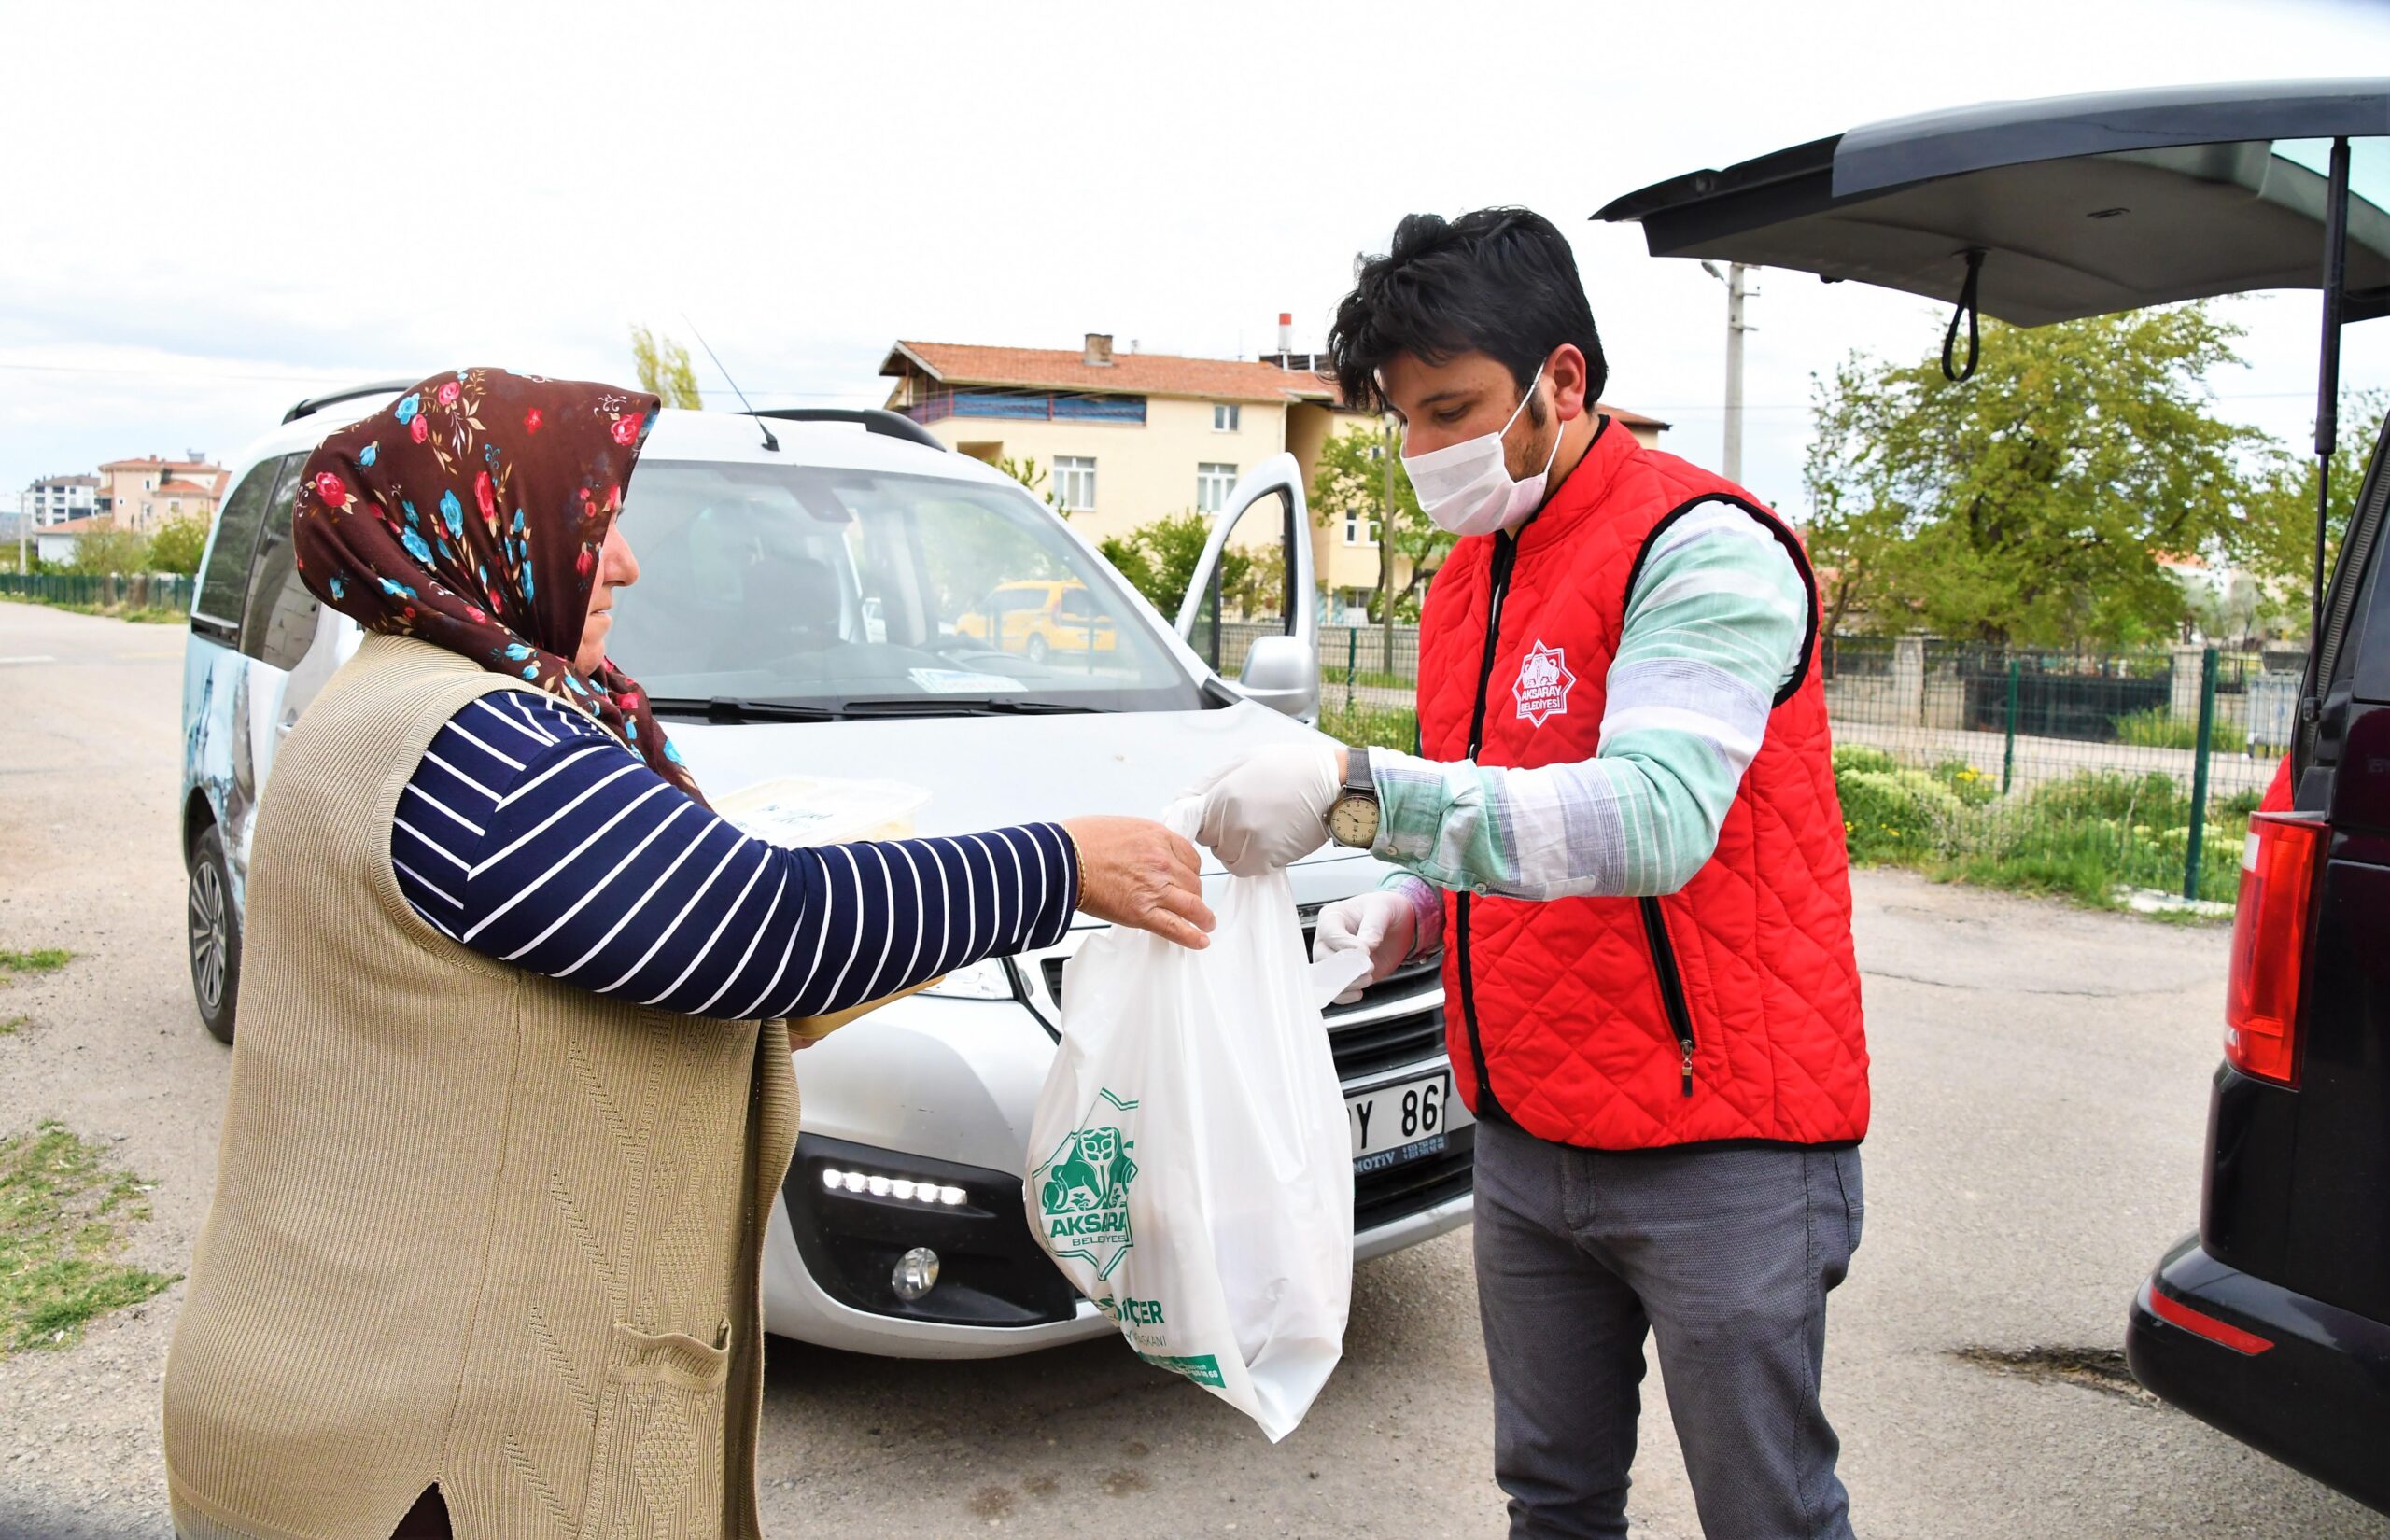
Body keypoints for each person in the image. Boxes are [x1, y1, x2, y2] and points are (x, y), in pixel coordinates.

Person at [161, 369, 1214, 1540]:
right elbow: (758, 931)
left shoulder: (418, 704)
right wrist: (1058, 867)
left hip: (363, 1391)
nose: (624, 565)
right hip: (420, 1452)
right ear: (490, 532)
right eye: (591, 524)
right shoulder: (472, 742)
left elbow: (681, 969)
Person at [1191, 210, 1869, 1540]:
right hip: (1525, 1127)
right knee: (1551, 1500)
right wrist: (1411, 909)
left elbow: (1651, 817)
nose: (1426, 449)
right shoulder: (1464, 583)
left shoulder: (1704, 546)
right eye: (1404, 417)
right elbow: (1504, 800)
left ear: (1563, 380)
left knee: (1768, 1512)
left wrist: (1356, 794)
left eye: (1455, 407)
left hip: (1718, 1137)